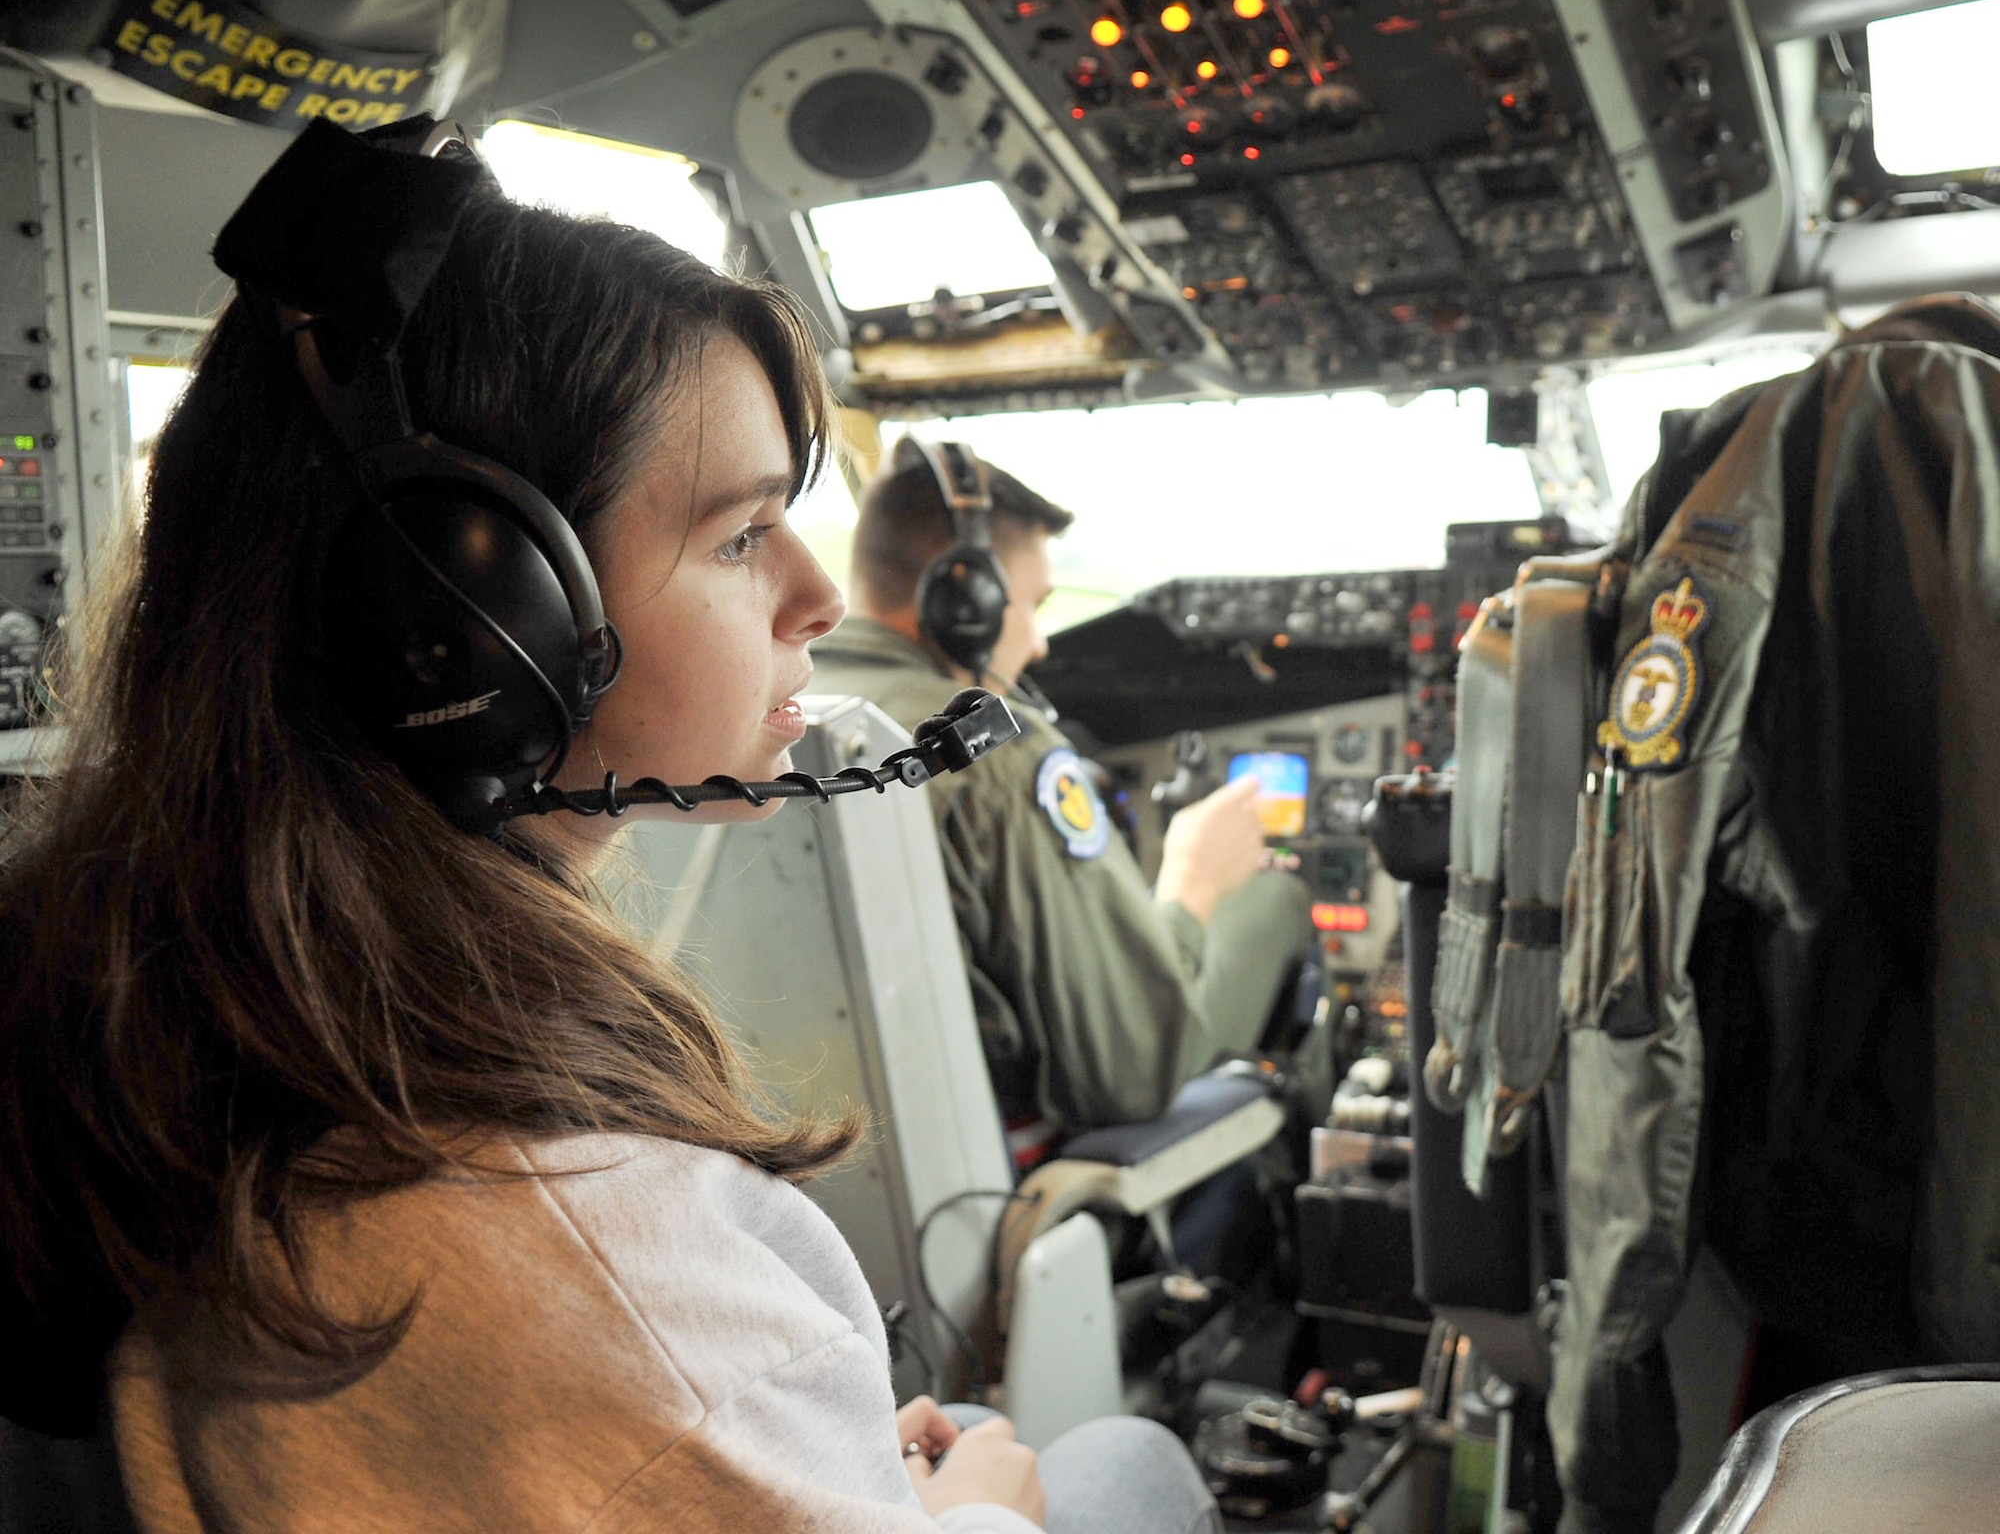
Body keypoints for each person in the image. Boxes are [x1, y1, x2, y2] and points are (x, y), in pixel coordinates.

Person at [0, 118, 1221, 1534]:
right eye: (741, 533)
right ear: (462, 630)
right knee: (1110, 1463)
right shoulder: (576, 1244)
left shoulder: (133, 983)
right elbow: (620, 1377)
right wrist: (980, 1510)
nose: (818, 598)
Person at [812, 441, 1313, 1145]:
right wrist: (1191, 888)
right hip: (1001, 1189)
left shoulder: (765, 719)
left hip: (818, 1164)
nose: (1042, 645)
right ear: (968, 601)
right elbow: (1130, 1072)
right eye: (1034, 605)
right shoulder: (993, 757)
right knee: (1274, 900)